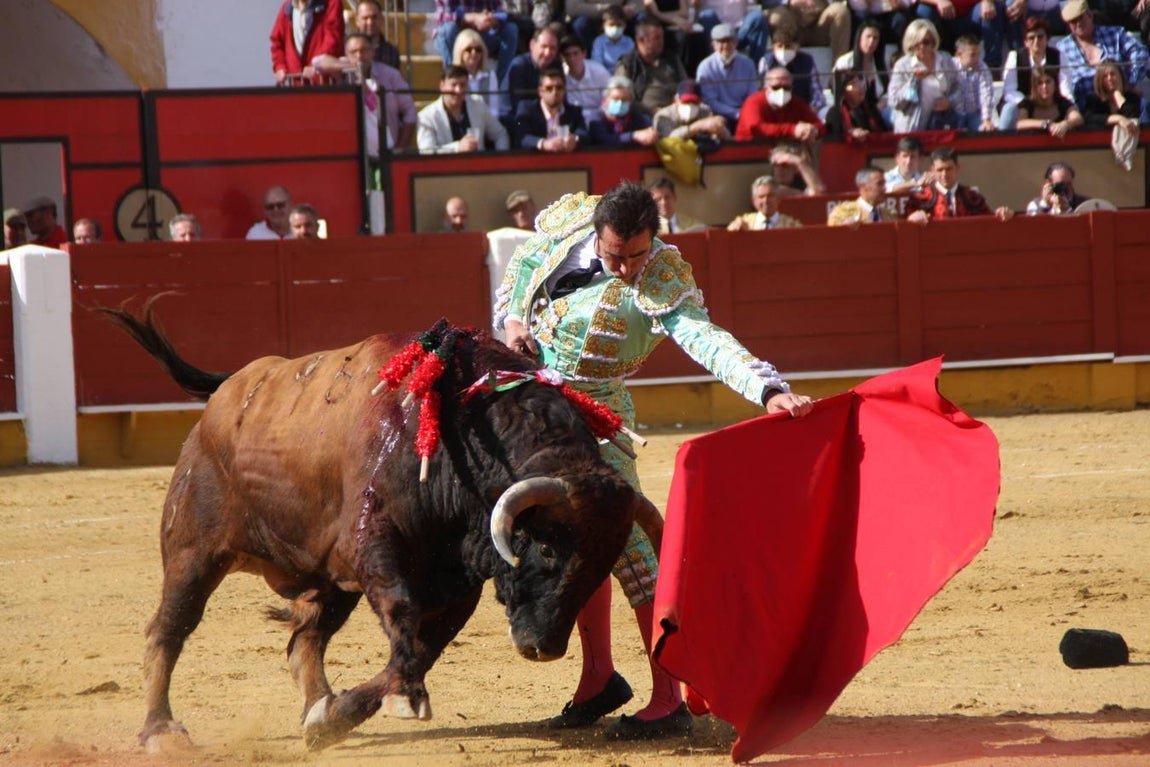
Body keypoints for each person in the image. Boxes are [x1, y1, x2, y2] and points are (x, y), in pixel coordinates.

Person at [494, 181, 812, 740]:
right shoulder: (573, 223)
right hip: (541, 416)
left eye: (636, 256)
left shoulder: (661, 278)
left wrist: (767, 390)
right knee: (575, 541)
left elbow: (706, 339)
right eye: (615, 255)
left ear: (653, 241)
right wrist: (515, 324)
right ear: (597, 232)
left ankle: (670, 698)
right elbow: (523, 267)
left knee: (632, 547)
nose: (624, 270)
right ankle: (597, 680)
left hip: (599, 424)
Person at [1056, 0, 1148, 111]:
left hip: (1120, 100)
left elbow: (1141, 54)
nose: (1078, 24)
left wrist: (1128, 82)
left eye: (1081, 18)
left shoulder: (1115, 34)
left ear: (1090, 15)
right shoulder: (1062, 48)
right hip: (1086, 109)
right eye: (1073, 22)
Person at [336, 32, 418, 155]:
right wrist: (347, 67)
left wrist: (399, 150)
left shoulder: (391, 75)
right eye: (353, 52)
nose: (359, 56)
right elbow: (318, 61)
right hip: (353, 153)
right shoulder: (342, 74)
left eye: (364, 50)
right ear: (346, 55)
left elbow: (410, 112)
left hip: (386, 150)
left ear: (373, 52)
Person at [888, 20, 962, 133]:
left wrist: (949, 102)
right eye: (916, 44)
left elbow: (958, 87)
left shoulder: (945, 59)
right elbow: (894, 102)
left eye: (926, 42)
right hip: (911, 129)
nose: (921, 47)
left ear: (933, 42)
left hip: (940, 126)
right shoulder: (902, 65)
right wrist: (913, 81)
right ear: (910, 45)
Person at [905, 146, 1014, 222]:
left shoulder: (972, 197)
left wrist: (1004, 214)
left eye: (949, 169)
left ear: (957, 168)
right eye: (940, 170)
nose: (944, 174)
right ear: (932, 170)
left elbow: (989, 221)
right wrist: (912, 217)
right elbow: (906, 220)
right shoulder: (921, 198)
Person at [418, 65, 510, 153]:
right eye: (453, 85)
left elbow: (500, 134)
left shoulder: (478, 104)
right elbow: (426, 152)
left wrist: (500, 160)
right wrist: (457, 147)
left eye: (462, 85)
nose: (458, 90)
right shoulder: (426, 117)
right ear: (442, 86)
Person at [733, 67, 826, 149]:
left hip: (787, 151)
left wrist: (812, 130)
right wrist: (793, 130)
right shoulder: (753, 102)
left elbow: (820, 126)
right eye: (776, 87)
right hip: (751, 152)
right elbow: (757, 128)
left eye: (786, 88)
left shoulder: (797, 102)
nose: (781, 91)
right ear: (766, 88)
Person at [433, 0, 520, 82]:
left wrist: (491, 19)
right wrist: (473, 18)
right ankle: (452, 79)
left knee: (511, 29)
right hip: (456, 36)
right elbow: (444, 16)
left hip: (483, 35)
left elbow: (501, 12)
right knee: (448, 30)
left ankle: (501, 84)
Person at [696, 23, 761, 133]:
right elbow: (710, 101)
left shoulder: (748, 64)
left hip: (745, 112)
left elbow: (752, 94)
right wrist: (736, 113)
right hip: (718, 114)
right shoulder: (705, 67)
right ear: (713, 45)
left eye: (730, 41)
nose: (726, 45)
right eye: (721, 42)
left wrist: (746, 112)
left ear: (736, 43)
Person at [998, 17, 1061, 130]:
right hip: (1021, 103)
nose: (1036, 41)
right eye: (1031, 38)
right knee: (1009, 108)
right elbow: (1010, 91)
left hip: (1049, 101)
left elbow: (1065, 89)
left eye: (1040, 37)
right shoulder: (1015, 56)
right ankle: (1001, 139)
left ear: (1047, 39)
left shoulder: (1059, 56)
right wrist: (1029, 103)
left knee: (1073, 107)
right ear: (1025, 42)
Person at [614, 17, 688, 113]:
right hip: (643, 116)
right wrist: (652, 111)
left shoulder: (672, 60)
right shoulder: (628, 65)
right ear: (641, 40)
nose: (661, 41)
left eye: (661, 37)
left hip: (676, 112)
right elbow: (624, 98)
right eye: (656, 38)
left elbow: (686, 86)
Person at [756, 27, 827, 116]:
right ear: (773, 47)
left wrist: (810, 112)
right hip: (773, 112)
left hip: (802, 110)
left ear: (797, 47)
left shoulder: (807, 61)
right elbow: (762, 91)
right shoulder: (766, 62)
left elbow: (817, 94)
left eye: (788, 46)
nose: (783, 50)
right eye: (779, 46)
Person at [269, 0, 344, 84]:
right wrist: (280, 67)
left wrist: (316, 65)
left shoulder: (331, 4)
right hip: (296, 83)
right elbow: (277, 41)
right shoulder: (287, 8)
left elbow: (333, 39)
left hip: (324, 83)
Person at [513, 66, 589, 150]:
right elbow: (523, 137)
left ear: (564, 90)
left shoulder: (574, 112)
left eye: (559, 88)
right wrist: (544, 144)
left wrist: (574, 139)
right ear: (540, 91)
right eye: (549, 88)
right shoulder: (527, 109)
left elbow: (583, 134)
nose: (554, 92)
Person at [833, 20, 892, 115]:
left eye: (875, 38)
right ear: (859, 38)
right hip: (854, 111)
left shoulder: (882, 62)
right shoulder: (845, 61)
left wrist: (883, 102)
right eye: (868, 37)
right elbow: (839, 93)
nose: (871, 42)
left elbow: (890, 89)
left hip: (879, 110)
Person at [505, 27, 562, 120]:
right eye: (544, 47)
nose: (547, 53)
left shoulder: (556, 65)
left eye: (552, 48)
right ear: (532, 45)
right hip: (516, 117)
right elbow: (519, 104)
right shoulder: (519, 66)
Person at [766, 0, 852, 61]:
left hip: (821, 23)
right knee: (776, 17)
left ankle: (839, 72)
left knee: (840, 12)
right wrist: (788, 1)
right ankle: (781, 70)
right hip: (793, 22)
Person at [588, 76, 660, 146]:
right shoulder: (596, 117)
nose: (620, 103)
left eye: (624, 100)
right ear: (606, 99)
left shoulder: (639, 118)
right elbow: (604, 140)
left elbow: (649, 132)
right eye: (616, 99)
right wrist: (633, 136)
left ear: (630, 101)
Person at [652, 79, 732, 140]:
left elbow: (728, 138)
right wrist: (697, 127)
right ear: (676, 100)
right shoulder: (664, 115)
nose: (690, 106)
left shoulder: (705, 111)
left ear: (700, 102)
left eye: (694, 102)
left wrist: (720, 132)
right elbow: (668, 139)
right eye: (685, 102)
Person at [453, 28, 506, 120]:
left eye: (478, 49)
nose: (474, 53)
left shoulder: (490, 75)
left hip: (487, 123)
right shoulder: (453, 77)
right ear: (460, 52)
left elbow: (494, 110)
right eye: (469, 49)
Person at [1015, 68, 1085, 137]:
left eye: (1048, 82)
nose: (1044, 86)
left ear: (1055, 84)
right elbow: (1019, 123)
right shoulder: (1027, 103)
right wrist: (1045, 124)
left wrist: (1065, 124)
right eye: (1040, 83)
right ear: (1034, 87)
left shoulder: (1062, 102)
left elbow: (1078, 118)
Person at [561, 35, 614, 126]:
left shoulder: (599, 72)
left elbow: (610, 99)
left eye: (576, 53)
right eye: (567, 55)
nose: (572, 59)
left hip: (601, 120)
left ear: (584, 54)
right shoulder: (561, 76)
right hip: (574, 123)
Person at [695, 0, 770, 63]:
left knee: (758, 17)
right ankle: (714, 64)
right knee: (707, 15)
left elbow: (754, 2)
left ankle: (756, 66)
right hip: (716, 33)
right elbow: (693, 4)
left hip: (739, 32)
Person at [1081, 58, 1143, 133]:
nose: (1109, 78)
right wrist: (1118, 119)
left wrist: (1117, 94)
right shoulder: (1094, 100)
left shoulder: (1132, 97)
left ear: (1120, 76)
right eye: (1105, 76)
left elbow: (1133, 116)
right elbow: (1089, 118)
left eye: (1113, 74)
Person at [824, 70, 890, 139]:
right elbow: (833, 139)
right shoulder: (835, 113)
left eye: (859, 82)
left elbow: (884, 132)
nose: (860, 87)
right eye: (852, 85)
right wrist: (851, 133)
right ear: (842, 94)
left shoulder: (869, 108)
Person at [952, 35, 996, 132]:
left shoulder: (982, 67)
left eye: (978, 54)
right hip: (954, 115)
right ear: (959, 54)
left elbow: (986, 93)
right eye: (972, 55)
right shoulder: (950, 66)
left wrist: (986, 119)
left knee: (985, 130)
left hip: (975, 115)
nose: (977, 58)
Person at [846, 0, 912, 64]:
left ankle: (889, 60)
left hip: (892, 13)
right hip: (866, 13)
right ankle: (859, 61)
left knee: (900, 20)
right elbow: (855, 5)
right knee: (861, 19)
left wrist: (900, 3)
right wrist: (865, 2)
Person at [727, 175, 804, 229]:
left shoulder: (791, 226)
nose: (766, 201)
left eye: (770, 196)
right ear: (753, 201)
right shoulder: (745, 223)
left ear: (778, 198)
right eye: (761, 197)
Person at [828, 166, 897, 225]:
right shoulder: (844, 212)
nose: (884, 188)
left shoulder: (889, 214)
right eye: (879, 184)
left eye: (884, 183)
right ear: (863, 187)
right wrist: (844, 225)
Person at [1025, 161, 1091, 214]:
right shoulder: (1036, 205)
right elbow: (1038, 225)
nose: (1066, 188)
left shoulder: (1085, 204)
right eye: (1060, 185)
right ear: (1049, 184)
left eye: (1068, 184)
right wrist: (1047, 204)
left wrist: (1066, 209)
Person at [353, 0, 402, 68]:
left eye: (374, 17)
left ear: (381, 19)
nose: (370, 22)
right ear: (357, 21)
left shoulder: (391, 52)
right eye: (365, 18)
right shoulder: (345, 48)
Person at [591, 5, 638, 70]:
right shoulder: (599, 42)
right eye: (611, 25)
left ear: (625, 25)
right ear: (603, 25)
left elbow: (633, 63)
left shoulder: (629, 42)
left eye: (619, 25)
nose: (615, 28)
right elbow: (597, 65)